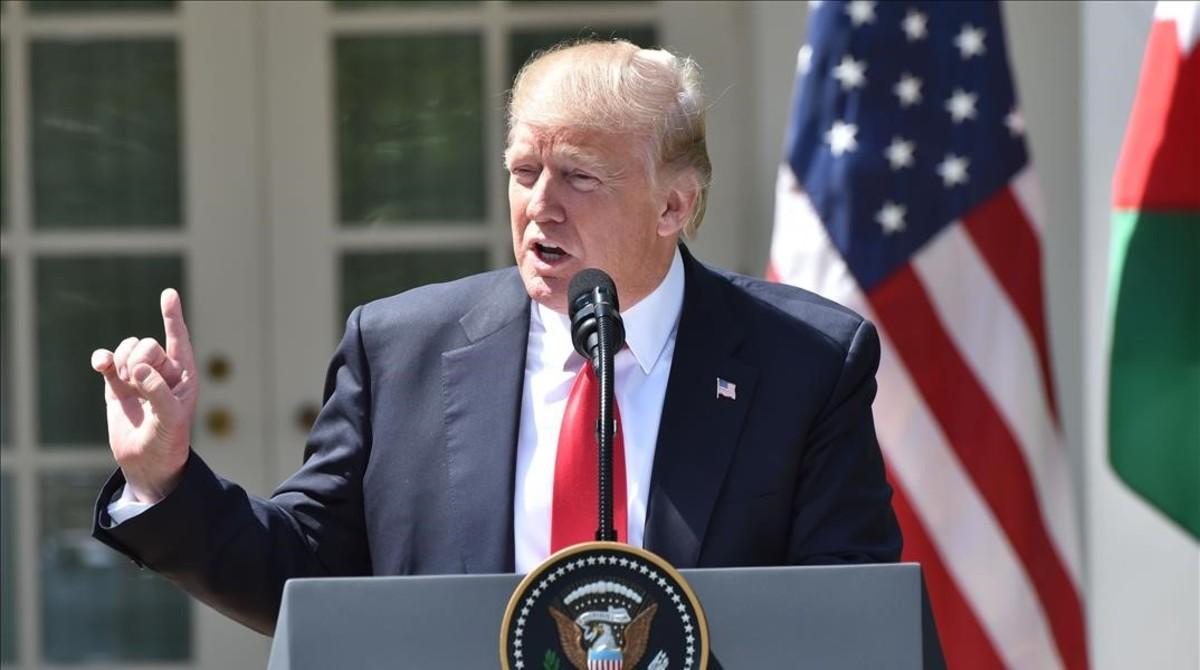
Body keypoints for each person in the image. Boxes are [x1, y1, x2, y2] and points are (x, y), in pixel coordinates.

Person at [90, 40, 901, 636]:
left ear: (672, 207)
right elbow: (305, 574)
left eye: (580, 176)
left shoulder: (808, 363)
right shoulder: (400, 348)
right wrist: (166, 480)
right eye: (523, 172)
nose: (540, 205)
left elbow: (846, 616)